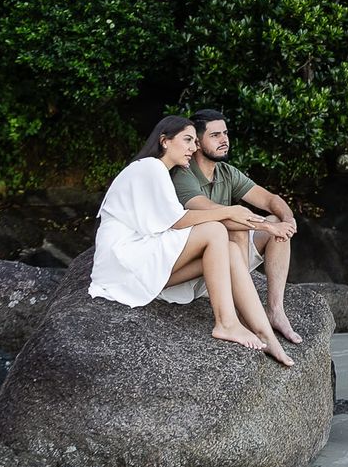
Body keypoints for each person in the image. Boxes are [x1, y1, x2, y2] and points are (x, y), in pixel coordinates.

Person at [89, 115, 294, 366]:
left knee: (229, 249)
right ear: (164, 141)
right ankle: (226, 322)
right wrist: (231, 212)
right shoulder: (150, 167)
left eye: (195, 142)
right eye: (187, 140)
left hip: (142, 265)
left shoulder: (161, 171)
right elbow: (177, 220)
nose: (193, 148)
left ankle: (266, 333)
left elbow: (171, 222)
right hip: (124, 262)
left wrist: (267, 221)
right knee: (215, 230)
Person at [172, 109, 302, 345]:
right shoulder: (184, 175)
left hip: (229, 257)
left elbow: (270, 199)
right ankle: (240, 313)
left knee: (275, 221)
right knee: (235, 228)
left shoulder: (226, 172)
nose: (224, 140)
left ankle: (275, 310)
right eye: (215, 135)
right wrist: (269, 227)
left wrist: (287, 219)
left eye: (226, 133)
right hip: (199, 264)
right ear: (198, 143)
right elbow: (213, 213)